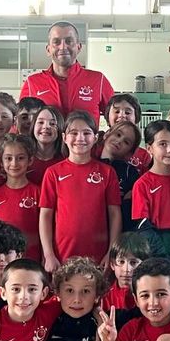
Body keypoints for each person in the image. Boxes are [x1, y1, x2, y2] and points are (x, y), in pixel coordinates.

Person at [39, 110, 121, 272]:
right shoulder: (53, 173)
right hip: (62, 256)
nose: (80, 138)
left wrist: (111, 252)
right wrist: (48, 254)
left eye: (86, 133)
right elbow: (45, 215)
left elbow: (114, 214)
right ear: (64, 137)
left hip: (98, 257)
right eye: (74, 133)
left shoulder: (107, 172)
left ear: (95, 138)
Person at [19, 21, 114, 119]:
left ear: (79, 47)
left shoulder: (98, 80)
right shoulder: (32, 83)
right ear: (48, 50)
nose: (63, 47)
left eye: (69, 41)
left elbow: (116, 117)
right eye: (56, 42)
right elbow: (20, 122)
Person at [132, 120, 170, 270]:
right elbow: (143, 227)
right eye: (163, 144)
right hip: (156, 252)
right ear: (149, 148)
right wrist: (164, 257)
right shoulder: (142, 184)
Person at [0, 134, 41, 261]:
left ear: (30, 160)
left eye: (20, 158)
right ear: (1, 162)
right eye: (8, 158)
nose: (14, 163)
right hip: (4, 263)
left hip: (32, 262)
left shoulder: (38, 192)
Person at [97, 120, 141, 232]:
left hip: (118, 232)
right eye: (118, 134)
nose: (119, 141)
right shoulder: (88, 163)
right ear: (107, 134)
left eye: (126, 142)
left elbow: (131, 215)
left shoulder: (130, 173)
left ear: (130, 153)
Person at [99, 232, 147, 312]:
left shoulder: (149, 295)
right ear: (112, 264)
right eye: (121, 262)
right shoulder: (105, 298)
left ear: (144, 265)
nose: (126, 269)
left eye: (133, 263)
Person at [103, 93, 150, 169]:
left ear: (136, 118)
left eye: (127, 112)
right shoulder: (96, 148)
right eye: (117, 112)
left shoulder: (143, 156)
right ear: (107, 117)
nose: (122, 115)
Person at [27, 104, 64, 184]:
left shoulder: (65, 161)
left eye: (52, 124)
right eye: (41, 122)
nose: (46, 126)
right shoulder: (23, 158)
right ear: (33, 126)